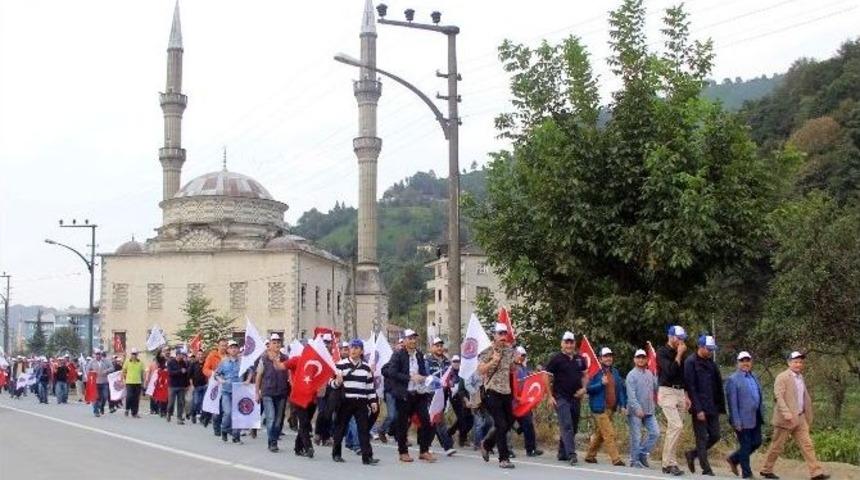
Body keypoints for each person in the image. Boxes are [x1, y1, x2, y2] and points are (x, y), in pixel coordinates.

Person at [760, 351, 829, 480]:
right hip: (785, 419)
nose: (798, 364)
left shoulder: (800, 377)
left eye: (800, 362)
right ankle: (766, 469)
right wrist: (786, 413)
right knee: (777, 446)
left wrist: (807, 414)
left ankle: (816, 472)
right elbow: (778, 396)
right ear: (789, 363)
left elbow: (803, 397)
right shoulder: (782, 377)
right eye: (796, 362)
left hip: (800, 417)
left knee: (807, 445)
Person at [382, 329, 436, 463]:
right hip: (404, 394)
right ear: (404, 340)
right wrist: (410, 378)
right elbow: (392, 372)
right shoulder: (398, 355)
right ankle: (403, 452)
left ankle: (424, 450)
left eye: (414, 338)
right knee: (402, 424)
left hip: (419, 393)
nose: (412, 341)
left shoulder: (419, 355)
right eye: (410, 338)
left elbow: (423, 372)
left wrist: (425, 378)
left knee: (426, 421)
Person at [331, 339, 379, 465]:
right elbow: (330, 383)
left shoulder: (366, 367)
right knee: (340, 428)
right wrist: (337, 382)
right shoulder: (340, 364)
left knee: (363, 430)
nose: (353, 350)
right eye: (352, 347)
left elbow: (370, 386)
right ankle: (336, 454)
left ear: (361, 351)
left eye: (357, 348)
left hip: (361, 401)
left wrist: (373, 401)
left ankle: (367, 457)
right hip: (345, 401)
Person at [683, 335, 725, 476]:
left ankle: (692, 454)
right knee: (701, 438)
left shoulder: (711, 364)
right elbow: (691, 387)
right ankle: (706, 468)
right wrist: (698, 409)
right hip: (699, 407)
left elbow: (717, 386)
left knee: (715, 435)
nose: (710, 352)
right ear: (700, 347)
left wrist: (720, 406)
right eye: (708, 349)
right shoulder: (690, 362)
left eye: (712, 349)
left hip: (712, 406)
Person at [477, 322, 517, 469]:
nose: (502, 336)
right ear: (494, 335)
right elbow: (480, 370)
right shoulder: (488, 350)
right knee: (501, 425)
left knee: (509, 422)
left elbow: (512, 368)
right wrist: (493, 360)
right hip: (492, 391)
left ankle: (486, 444)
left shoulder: (509, 349)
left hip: (506, 391)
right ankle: (503, 458)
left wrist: (516, 363)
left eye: (504, 333)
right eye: (500, 333)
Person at [544, 331, 587, 465]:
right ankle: (571, 454)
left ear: (574, 344)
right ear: (562, 344)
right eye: (566, 342)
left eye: (571, 342)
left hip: (575, 397)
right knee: (566, 424)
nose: (569, 345)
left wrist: (584, 389)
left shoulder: (580, 359)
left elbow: (585, 374)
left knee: (573, 426)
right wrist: (550, 396)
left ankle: (562, 452)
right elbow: (546, 376)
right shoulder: (556, 359)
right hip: (561, 397)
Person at [725, 351, 765, 479]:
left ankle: (733, 458)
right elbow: (732, 403)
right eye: (742, 361)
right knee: (746, 445)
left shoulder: (754, 376)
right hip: (742, 419)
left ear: (751, 362)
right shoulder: (733, 379)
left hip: (756, 416)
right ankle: (747, 474)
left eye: (747, 361)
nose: (745, 363)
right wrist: (736, 421)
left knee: (757, 442)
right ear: (738, 363)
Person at [585, 347, 627, 466]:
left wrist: (623, 405)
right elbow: (587, 389)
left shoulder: (615, 372)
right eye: (605, 356)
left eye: (610, 356)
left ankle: (590, 456)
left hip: (611, 408)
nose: (608, 358)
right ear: (600, 358)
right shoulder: (595, 372)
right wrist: (600, 383)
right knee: (609, 433)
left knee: (600, 434)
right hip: (599, 408)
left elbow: (620, 390)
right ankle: (616, 459)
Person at [657, 325, 690, 476]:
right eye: (679, 338)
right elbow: (670, 372)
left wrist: (687, 395)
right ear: (671, 337)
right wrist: (678, 355)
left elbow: (684, 375)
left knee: (674, 429)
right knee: (677, 426)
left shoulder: (682, 352)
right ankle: (670, 463)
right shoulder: (662, 352)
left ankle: (668, 463)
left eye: (683, 338)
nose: (681, 341)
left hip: (680, 391)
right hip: (667, 391)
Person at [626, 348, 660, 468]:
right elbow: (631, 395)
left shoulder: (650, 373)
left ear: (646, 359)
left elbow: (656, 389)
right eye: (638, 357)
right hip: (635, 411)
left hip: (649, 410)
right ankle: (634, 460)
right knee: (636, 436)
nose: (641, 359)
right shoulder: (631, 375)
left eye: (643, 357)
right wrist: (637, 408)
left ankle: (642, 453)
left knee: (655, 433)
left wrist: (657, 376)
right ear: (634, 359)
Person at [255, 333, 289, 452]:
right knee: (271, 417)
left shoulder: (285, 358)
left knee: (279, 420)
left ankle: (274, 437)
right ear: (269, 345)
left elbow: (289, 374)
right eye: (274, 342)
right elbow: (259, 376)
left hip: (282, 392)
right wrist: (257, 392)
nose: (276, 345)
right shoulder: (264, 358)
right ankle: (272, 442)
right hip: (268, 392)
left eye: (278, 342)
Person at [425, 337, 457, 456]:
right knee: (437, 420)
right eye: (437, 346)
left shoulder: (447, 362)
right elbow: (426, 377)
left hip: (444, 395)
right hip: (431, 395)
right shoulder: (427, 361)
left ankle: (426, 445)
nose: (439, 348)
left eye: (441, 346)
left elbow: (452, 376)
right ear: (432, 347)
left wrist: (452, 382)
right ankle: (447, 446)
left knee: (434, 421)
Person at [513, 345, 542, 457]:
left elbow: (530, 378)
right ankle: (488, 445)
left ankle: (531, 449)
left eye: (524, 355)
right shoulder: (514, 368)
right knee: (503, 426)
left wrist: (538, 372)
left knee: (528, 424)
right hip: (515, 402)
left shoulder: (523, 368)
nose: (523, 357)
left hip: (524, 402)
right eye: (521, 355)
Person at [214, 340, 243, 443]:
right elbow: (216, 374)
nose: (233, 349)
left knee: (238, 415)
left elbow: (251, 371)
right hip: (226, 391)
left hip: (239, 392)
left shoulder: (242, 361)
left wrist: (248, 380)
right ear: (228, 350)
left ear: (238, 349)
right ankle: (225, 429)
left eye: (235, 347)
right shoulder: (224, 361)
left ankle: (236, 436)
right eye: (231, 347)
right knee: (228, 412)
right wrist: (221, 379)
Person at [447, 355, 474, 447]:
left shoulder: (463, 372)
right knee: (462, 418)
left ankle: (450, 432)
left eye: (458, 361)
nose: (456, 363)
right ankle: (462, 438)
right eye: (454, 361)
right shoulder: (449, 373)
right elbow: (448, 384)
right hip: (455, 398)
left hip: (464, 397)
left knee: (470, 419)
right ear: (451, 363)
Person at [202, 339, 227, 432]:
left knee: (221, 406)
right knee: (213, 404)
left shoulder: (228, 357)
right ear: (218, 346)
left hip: (224, 384)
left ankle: (217, 424)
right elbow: (205, 369)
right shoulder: (212, 356)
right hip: (214, 384)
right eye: (222, 345)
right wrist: (213, 374)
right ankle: (211, 420)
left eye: (225, 345)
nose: (224, 347)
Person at [166, 347, 190, 424]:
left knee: (180, 403)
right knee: (171, 403)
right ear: (177, 355)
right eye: (180, 354)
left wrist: (187, 385)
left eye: (182, 355)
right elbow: (170, 373)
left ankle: (179, 418)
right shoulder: (171, 362)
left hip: (181, 386)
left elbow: (186, 374)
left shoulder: (184, 363)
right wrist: (180, 371)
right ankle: (169, 413)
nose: (181, 356)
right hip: (172, 386)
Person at [86, 349, 114, 417]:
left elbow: (112, 368)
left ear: (101, 355)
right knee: (95, 397)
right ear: (95, 355)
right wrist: (92, 373)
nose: (98, 355)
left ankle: (101, 407)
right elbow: (87, 370)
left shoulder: (106, 361)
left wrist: (106, 371)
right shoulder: (92, 362)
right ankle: (96, 411)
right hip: (95, 382)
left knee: (105, 396)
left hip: (104, 381)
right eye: (97, 354)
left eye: (99, 354)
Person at [122, 348, 145, 417]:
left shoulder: (140, 362)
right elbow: (123, 371)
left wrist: (143, 382)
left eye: (135, 354)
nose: (134, 355)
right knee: (129, 396)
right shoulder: (127, 362)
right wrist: (124, 379)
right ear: (131, 354)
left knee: (136, 398)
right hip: (129, 382)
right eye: (133, 354)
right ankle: (127, 409)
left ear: (137, 354)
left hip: (138, 382)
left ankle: (134, 412)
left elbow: (142, 373)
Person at [188, 349, 208, 424]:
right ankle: (193, 414)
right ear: (197, 355)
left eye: (201, 354)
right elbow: (189, 376)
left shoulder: (206, 363)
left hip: (205, 386)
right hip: (196, 386)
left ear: (204, 355)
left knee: (203, 403)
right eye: (199, 354)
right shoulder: (193, 364)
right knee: (196, 402)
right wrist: (192, 385)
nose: (200, 356)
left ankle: (202, 417)